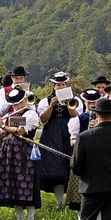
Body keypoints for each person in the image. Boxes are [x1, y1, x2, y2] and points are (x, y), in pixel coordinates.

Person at [0, 87, 42, 220]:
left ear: (25, 100)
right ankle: (19, 219)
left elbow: (19, 131)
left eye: (19, 103)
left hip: (24, 152)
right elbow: (4, 134)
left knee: (26, 182)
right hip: (10, 151)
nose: (16, 106)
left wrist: (3, 126)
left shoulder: (31, 114)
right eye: (14, 104)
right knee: (13, 182)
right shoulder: (12, 115)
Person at [37, 72, 81, 207]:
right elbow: (43, 120)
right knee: (55, 167)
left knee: (69, 164)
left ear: (66, 85)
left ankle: (73, 199)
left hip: (69, 132)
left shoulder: (75, 100)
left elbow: (77, 117)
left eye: (63, 84)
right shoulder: (46, 100)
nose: (60, 87)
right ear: (53, 86)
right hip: (51, 135)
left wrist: (68, 104)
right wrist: (51, 105)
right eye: (58, 85)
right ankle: (59, 201)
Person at [66, 89, 101, 220]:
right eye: (89, 102)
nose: (92, 104)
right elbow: (72, 142)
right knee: (78, 193)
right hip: (82, 158)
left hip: (98, 159)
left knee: (97, 193)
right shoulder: (77, 120)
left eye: (95, 102)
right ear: (85, 102)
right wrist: (86, 135)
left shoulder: (104, 119)